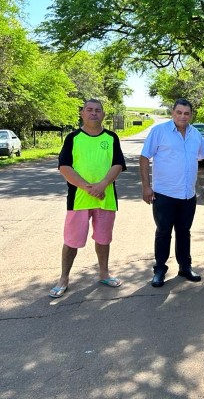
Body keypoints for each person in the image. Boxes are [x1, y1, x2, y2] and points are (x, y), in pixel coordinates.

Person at [49, 99, 127, 298]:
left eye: (98, 110)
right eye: (89, 110)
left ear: (103, 114)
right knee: (71, 241)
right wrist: (87, 187)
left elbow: (117, 164)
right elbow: (64, 167)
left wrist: (101, 186)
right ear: (82, 113)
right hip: (79, 200)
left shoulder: (111, 137)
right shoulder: (73, 138)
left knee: (103, 240)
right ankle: (64, 279)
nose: (94, 113)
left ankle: (104, 273)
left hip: (105, 198)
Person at [139, 99, 204, 287]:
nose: (182, 116)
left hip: (188, 195)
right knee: (163, 232)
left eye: (186, 113)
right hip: (164, 194)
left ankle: (185, 267)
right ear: (172, 112)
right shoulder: (159, 131)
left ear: (191, 115)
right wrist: (146, 187)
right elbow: (144, 157)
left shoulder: (195, 134)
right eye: (179, 112)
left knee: (184, 232)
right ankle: (160, 270)